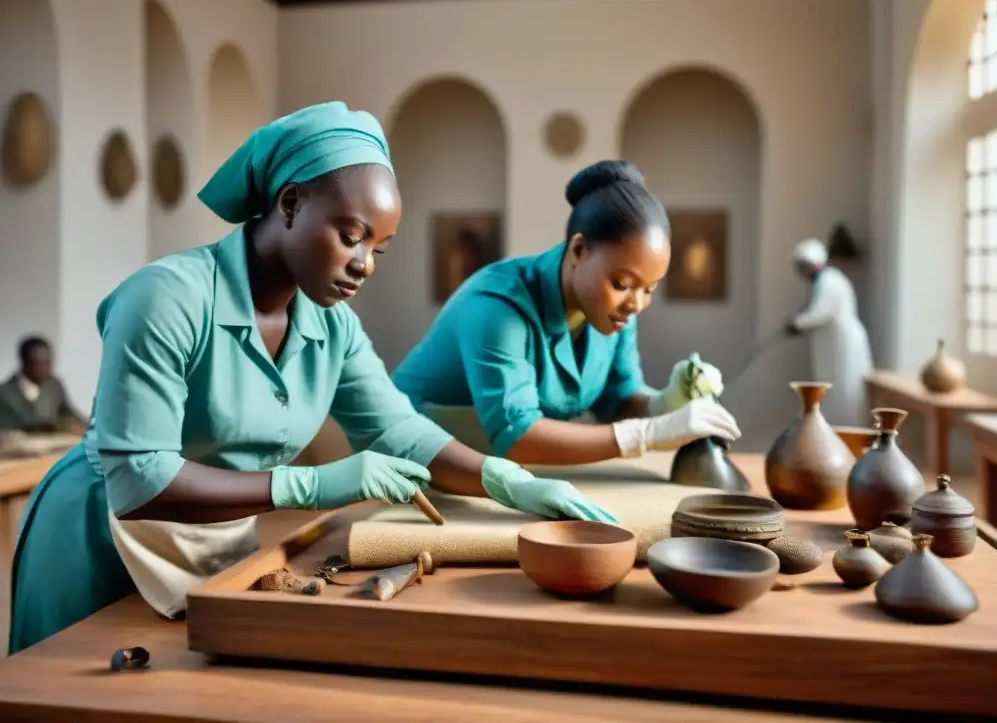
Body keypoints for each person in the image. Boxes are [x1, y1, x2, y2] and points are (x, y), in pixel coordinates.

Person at [7, 102, 615, 655]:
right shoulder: (166, 298)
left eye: (380, 247)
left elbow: (397, 430)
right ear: (291, 204)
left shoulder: (333, 326)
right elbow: (140, 481)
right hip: (101, 535)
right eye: (351, 237)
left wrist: (502, 479)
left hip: (208, 540)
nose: (365, 264)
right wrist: (312, 485)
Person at [392, 160, 741, 465]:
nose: (636, 304)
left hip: (499, 469)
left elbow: (616, 398)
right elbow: (516, 434)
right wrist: (647, 434)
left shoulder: (615, 312)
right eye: (622, 283)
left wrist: (665, 403)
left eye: (649, 289)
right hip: (413, 457)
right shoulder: (496, 307)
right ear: (579, 250)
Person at [786, 238, 874, 426]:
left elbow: (821, 313)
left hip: (843, 347)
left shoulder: (830, 281)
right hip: (832, 347)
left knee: (845, 396)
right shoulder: (823, 282)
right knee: (831, 395)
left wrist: (796, 324)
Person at [0, 336, 88, 434]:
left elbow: (69, 413)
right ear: (24, 362)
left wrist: (92, 425)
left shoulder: (54, 386)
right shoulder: (5, 392)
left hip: (53, 446)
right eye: (38, 363)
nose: (45, 368)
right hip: (17, 447)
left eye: (47, 362)